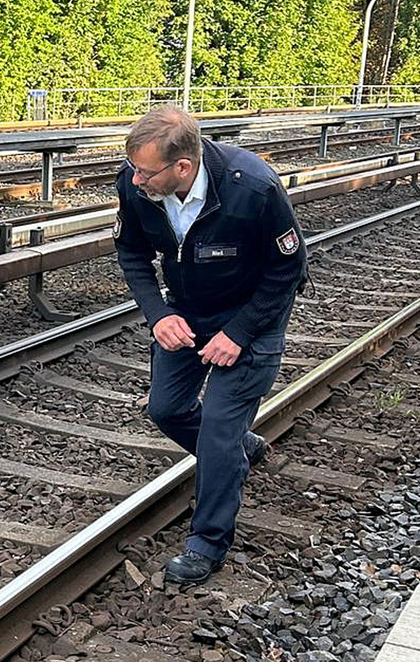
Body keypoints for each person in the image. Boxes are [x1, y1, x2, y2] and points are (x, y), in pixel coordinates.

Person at [113, 106, 308, 585]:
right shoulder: (135, 184)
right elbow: (131, 251)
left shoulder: (254, 187)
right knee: (165, 408)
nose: (136, 180)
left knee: (218, 428)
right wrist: (159, 315)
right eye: (133, 167)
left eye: (146, 171)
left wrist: (239, 334)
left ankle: (207, 543)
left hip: (252, 316)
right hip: (187, 307)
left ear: (183, 166)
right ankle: (238, 450)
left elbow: (289, 270)